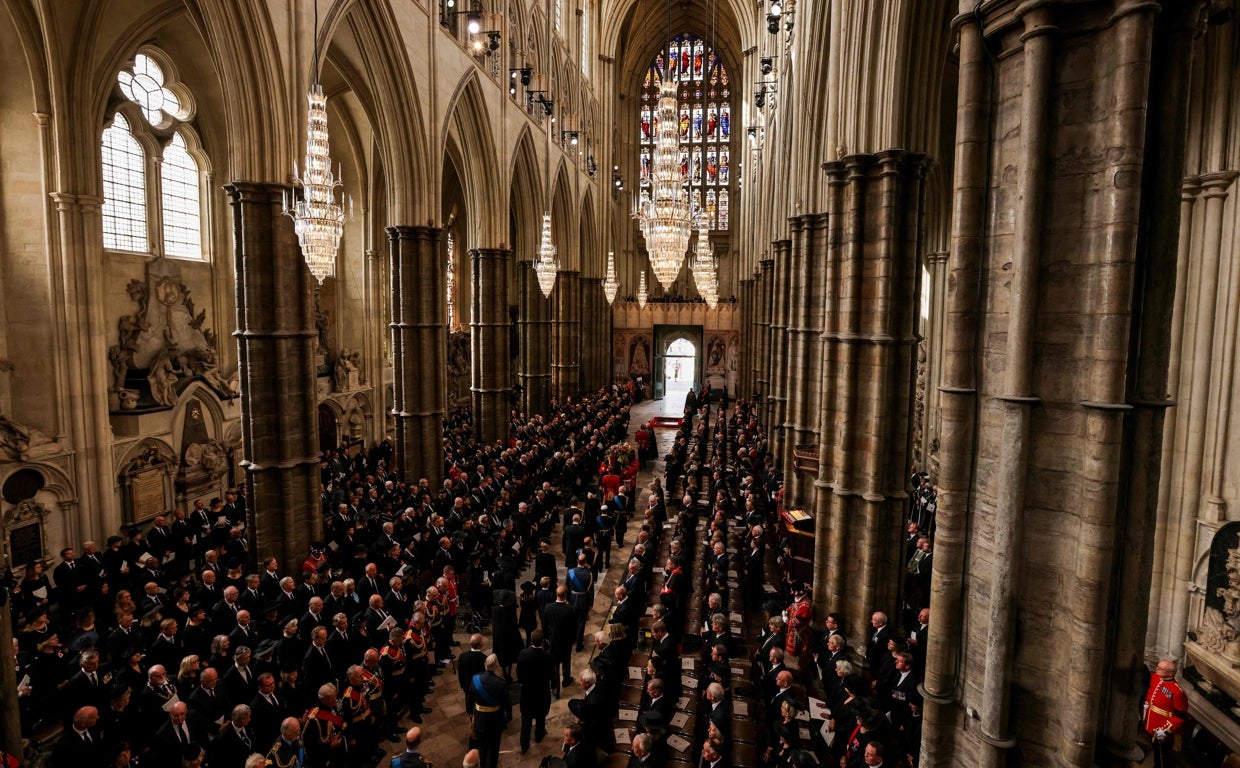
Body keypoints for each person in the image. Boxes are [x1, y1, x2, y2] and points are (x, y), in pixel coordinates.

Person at [1144, 659, 1188, 768]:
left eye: (1161, 669)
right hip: (1152, 722)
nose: (1157, 669)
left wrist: (1164, 730)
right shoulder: (1155, 677)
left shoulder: (1177, 692)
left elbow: (1180, 716)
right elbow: (1151, 692)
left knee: (1164, 758)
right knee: (1156, 751)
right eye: (1158, 667)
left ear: (1170, 673)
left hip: (1163, 727)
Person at [470, 654, 511, 768]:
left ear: (485, 665)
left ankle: (483, 765)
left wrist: (471, 713)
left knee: (482, 746)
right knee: (493, 748)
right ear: (496, 666)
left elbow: (470, 699)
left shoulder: (475, 680)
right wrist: (509, 717)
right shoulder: (501, 683)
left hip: (480, 720)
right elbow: (507, 703)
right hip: (495, 721)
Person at [516, 629, 554, 753]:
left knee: (526, 720)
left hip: (527, 693)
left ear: (531, 640)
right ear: (542, 641)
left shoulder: (523, 654)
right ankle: (538, 736)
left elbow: (519, 673)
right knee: (540, 717)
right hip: (542, 693)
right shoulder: (547, 657)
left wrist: (522, 682)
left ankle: (524, 744)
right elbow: (552, 675)